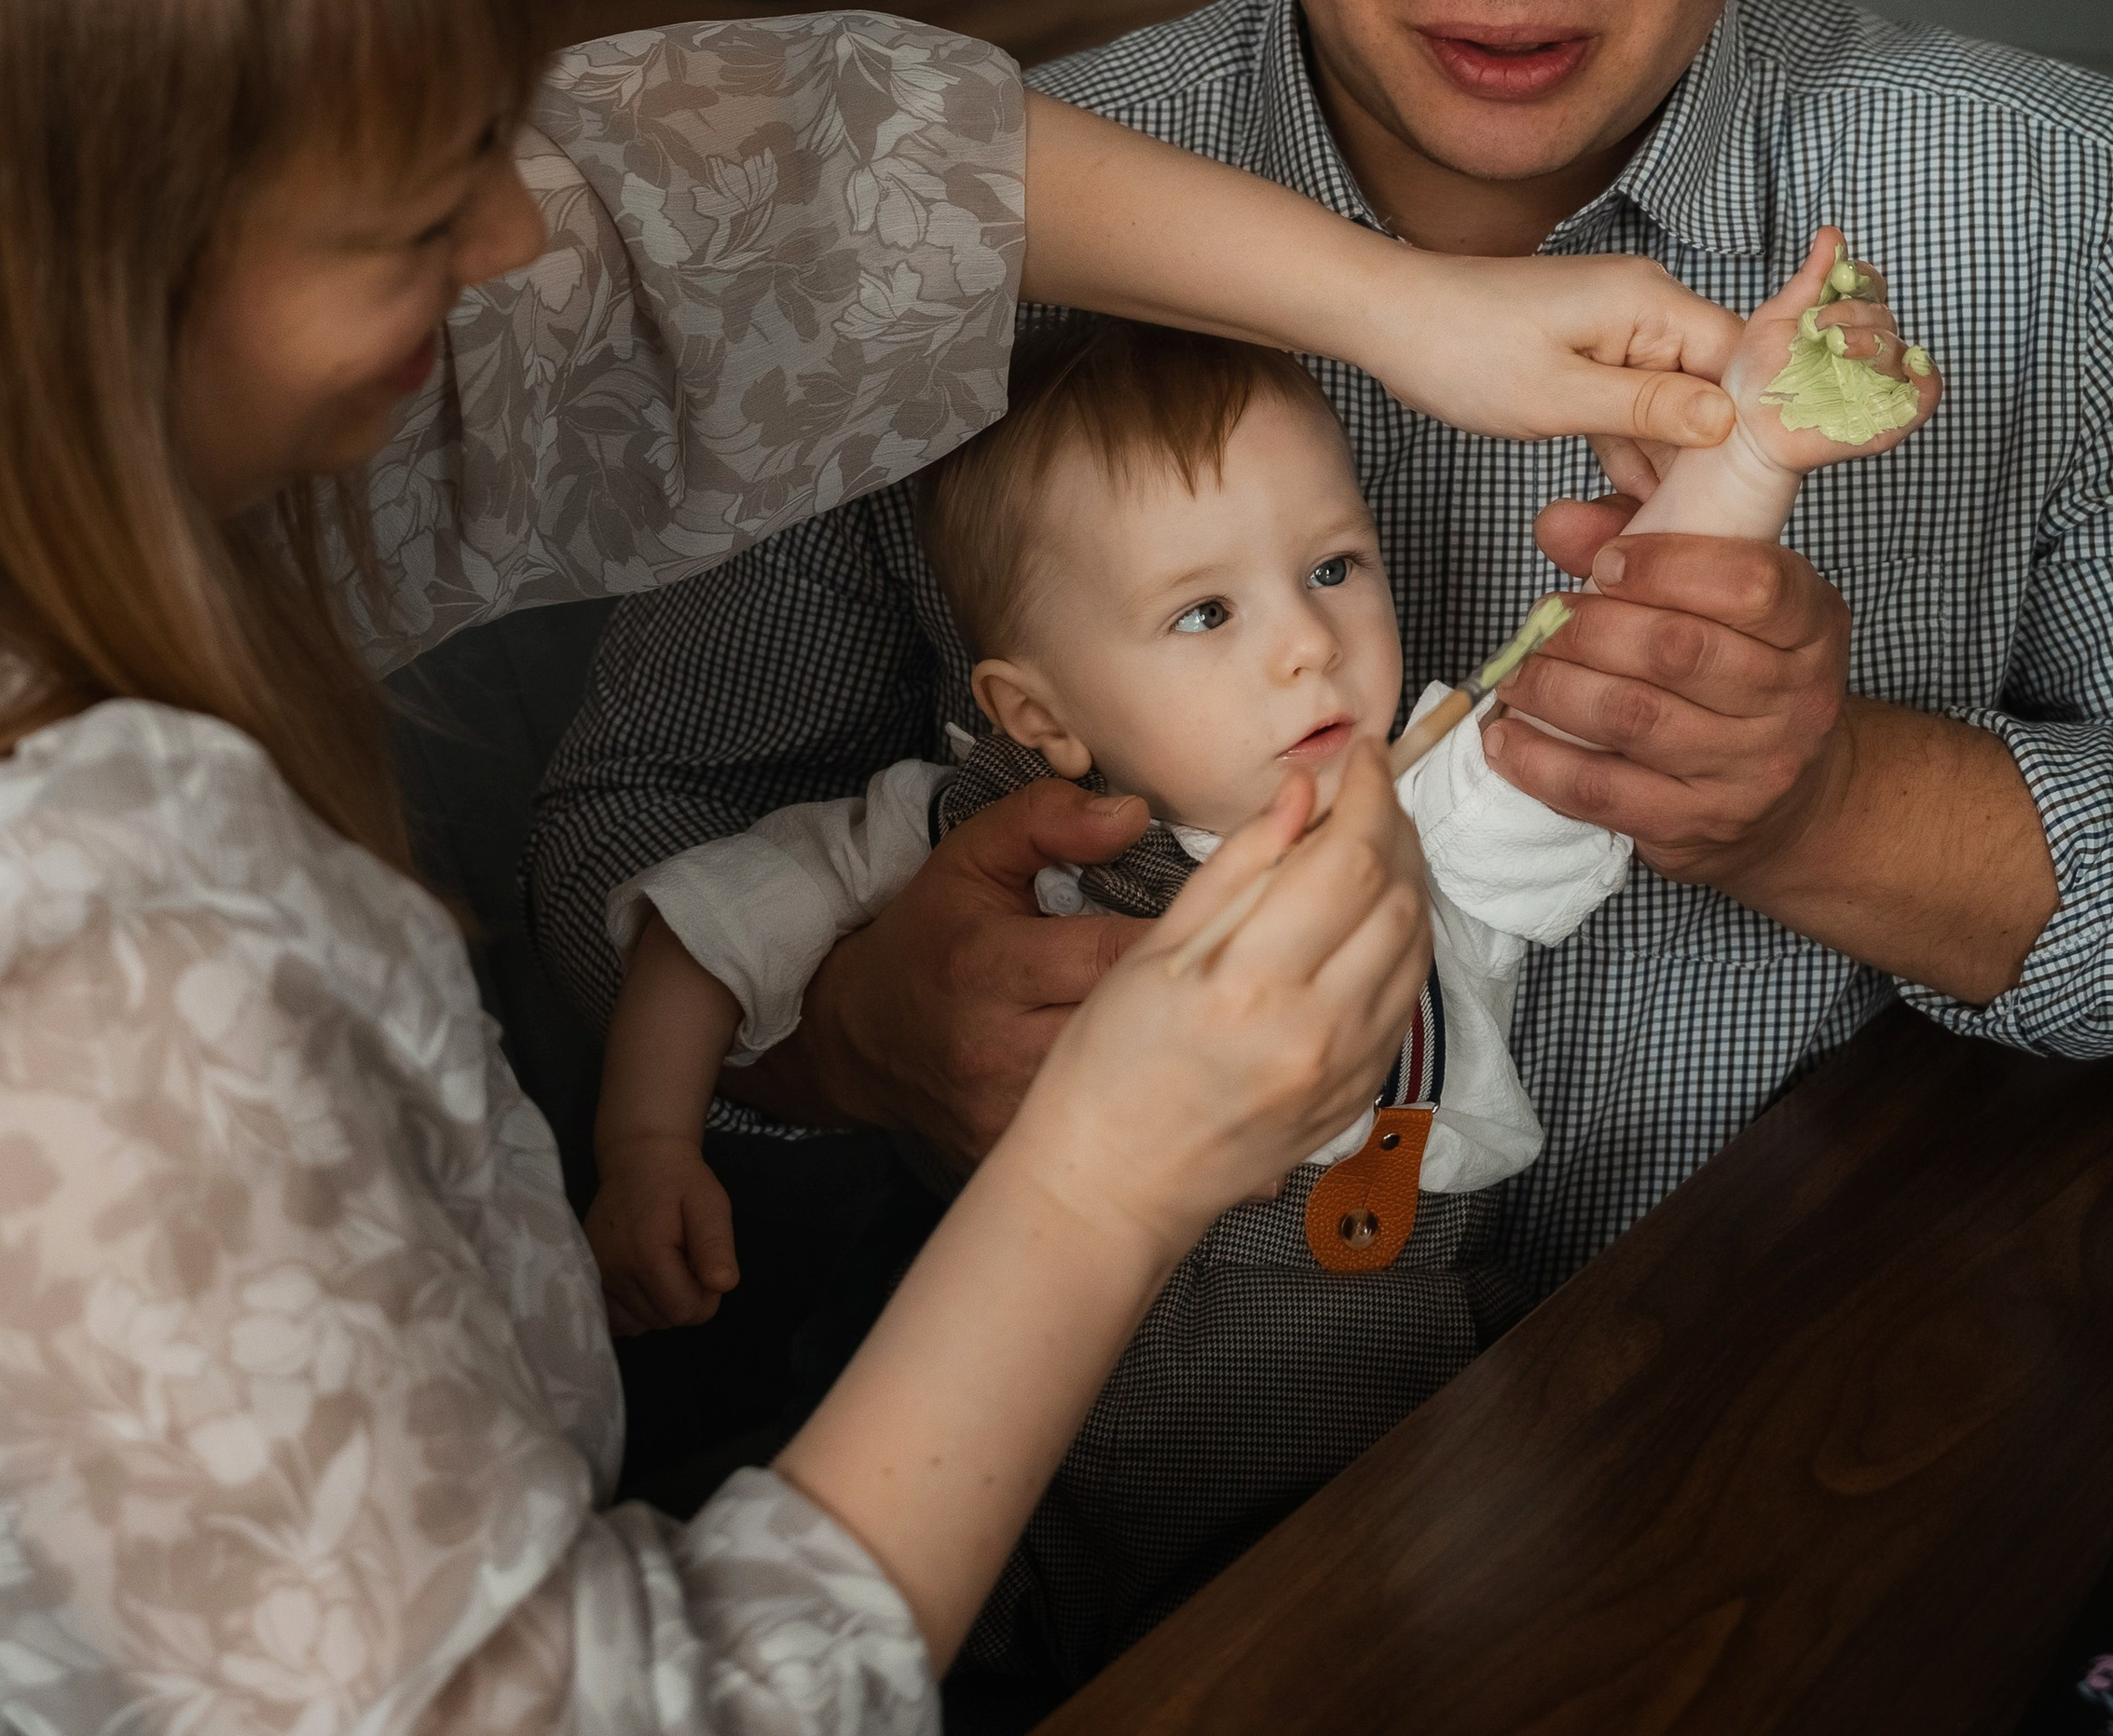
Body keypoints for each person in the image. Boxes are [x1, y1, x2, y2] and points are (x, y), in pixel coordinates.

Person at [0, 0, 1748, 1727]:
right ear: (74, 280)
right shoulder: (74, 961)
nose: (512, 238)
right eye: (408, 214)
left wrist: (1402, 309)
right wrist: (1105, 1171)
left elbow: (729, 195)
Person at [531, 0, 2113, 1566]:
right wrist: (848, 1039)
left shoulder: (2050, 215)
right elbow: (637, 821)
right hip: (1112, 1561)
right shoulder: (955, 247)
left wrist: (1832, 800)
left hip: (1811, 1480)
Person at [579, 242, 1939, 1674]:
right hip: (1016, 1451)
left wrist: (1752, 456)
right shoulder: (949, 833)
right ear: (1038, 715)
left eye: (1333, 567)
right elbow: (706, 926)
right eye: (1205, 612)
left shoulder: (1425, 814)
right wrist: (647, 1144)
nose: (1307, 645)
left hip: (1378, 1425)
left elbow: (1628, 672)